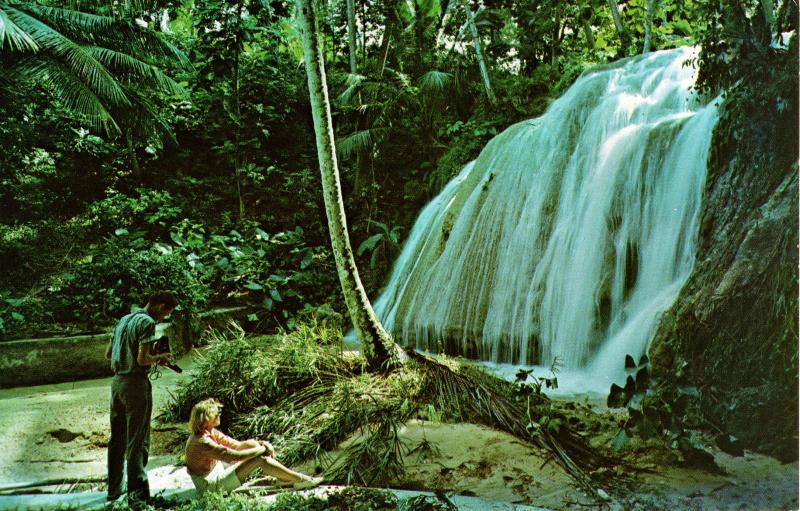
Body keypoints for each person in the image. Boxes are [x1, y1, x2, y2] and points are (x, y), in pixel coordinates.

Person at [105, 290, 178, 504]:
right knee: (136, 441)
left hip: (117, 384)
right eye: (166, 313)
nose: (163, 318)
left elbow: (109, 354)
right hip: (135, 385)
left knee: (116, 440)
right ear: (160, 305)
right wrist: (160, 357)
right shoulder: (147, 322)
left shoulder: (124, 320)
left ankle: (114, 490)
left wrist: (148, 355)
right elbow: (143, 360)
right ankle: (138, 498)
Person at [185, 398, 322, 495]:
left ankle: (284, 476)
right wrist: (263, 450)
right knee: (260, 459)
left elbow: (237, 445)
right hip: (210, 487)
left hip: (217, 474)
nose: (219, 414)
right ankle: (300, 479)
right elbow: (234, 456)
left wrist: (261, 444)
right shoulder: (202, 442)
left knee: (251, 444)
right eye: (217, 413)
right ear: (209, 419)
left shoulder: (209, 432)